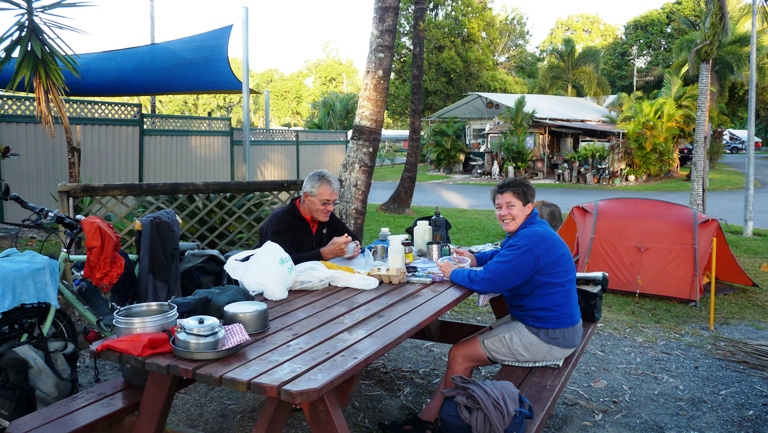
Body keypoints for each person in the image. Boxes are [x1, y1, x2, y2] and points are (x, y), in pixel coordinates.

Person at [380, 178, 581, 433]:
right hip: (549, 325)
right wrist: (475, 258)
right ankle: (429, 417)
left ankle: (444, 423)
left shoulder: (530, 240)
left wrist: (452, 272)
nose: (503, 213)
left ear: (528, 207)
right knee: (462, 351)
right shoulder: (533, 231)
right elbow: (502, 254)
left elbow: (488, 281)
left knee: (460, 354)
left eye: (511, 206)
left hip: (549, 336)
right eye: (499, 207)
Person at [258, 169, 361, 265]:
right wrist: (323, 254)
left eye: (334, 203)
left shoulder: (325, 216)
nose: (330, 208)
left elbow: (352, 237)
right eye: (325, 202)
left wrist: (353, 247)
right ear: (307, 197)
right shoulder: (280, 220)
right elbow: (282, 263)